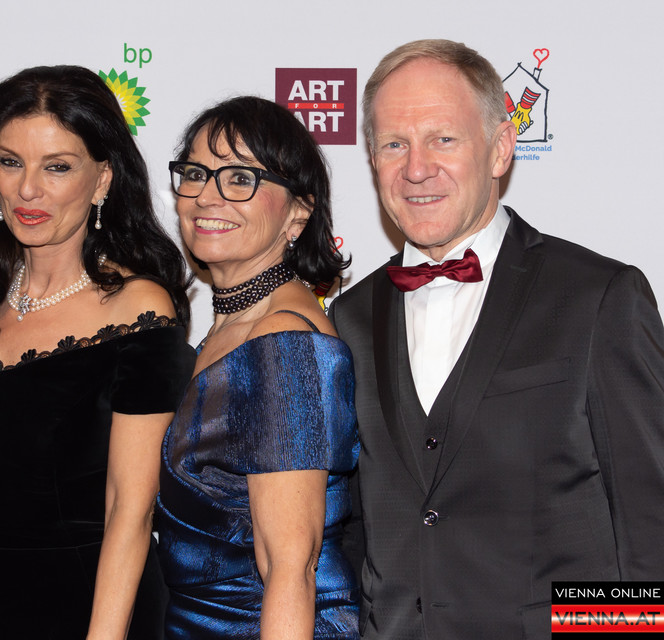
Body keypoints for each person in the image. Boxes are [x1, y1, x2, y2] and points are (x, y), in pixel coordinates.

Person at [328, 39, 664, 639]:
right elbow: (352, 527)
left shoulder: (598, 296)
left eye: (443, 139)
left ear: (501, 148)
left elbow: (648, 525)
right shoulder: (349, 316)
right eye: (394, 144)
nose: (416, 168)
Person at [0, 64, 194, 639]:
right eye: (11, 162)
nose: (28, 189)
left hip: (90, 606)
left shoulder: (137, 307)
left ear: (102, 179)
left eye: (57, 166)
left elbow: (130, 511)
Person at [156, 96, 360, 640]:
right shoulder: (231, 330)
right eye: (195, 173)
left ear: (298, 212)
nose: (206, 196)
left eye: (240, 178)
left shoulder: (283, 340)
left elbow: (290, 568)